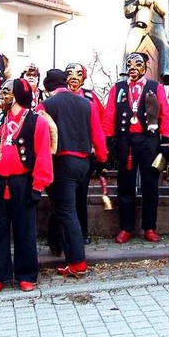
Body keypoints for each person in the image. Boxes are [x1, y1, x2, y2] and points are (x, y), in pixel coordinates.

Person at [0, 79, 53, 294]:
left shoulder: (36, 121)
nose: (0, 96)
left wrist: (38, 185)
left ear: (18, 95)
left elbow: (43, 155)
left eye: (5, 92)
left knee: (25, 230)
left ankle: (26, 274)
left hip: (23, 182)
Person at [38, 70, 107, 277]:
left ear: (48, 88)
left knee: (67, 211)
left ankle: (77, 262)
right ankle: (56, 244)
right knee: (63, 207)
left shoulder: (46, 106)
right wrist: (102, 159)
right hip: (83, 163)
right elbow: (98, 135)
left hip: (61, 163)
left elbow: (39, 135)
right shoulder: (87, 103)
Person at [103, 53, 169, 244]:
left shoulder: (155, 87)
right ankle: (126, 228)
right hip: (126, 141)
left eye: (138, 64)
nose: (133, 67)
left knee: (150, 185)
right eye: (129, 64)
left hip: (149, 140)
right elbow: (109, 114)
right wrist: (108, 140)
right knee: (125, 185)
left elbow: (165, 114)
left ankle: (149, 227)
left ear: (145, 67)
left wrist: (166, 141)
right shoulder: (118, 88)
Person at [66, 62, 105, 244]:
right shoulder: (59, 96)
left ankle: (82, 232)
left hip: (85, 154)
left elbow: (102, 122)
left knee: (81, 194)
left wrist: (100, 152)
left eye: (78, 74)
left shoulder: (90, 97)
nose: (74, 77)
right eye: (70, 73)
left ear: (83, 77)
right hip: (64, 154)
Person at [123, 0, 169, 84]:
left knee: (164, 44)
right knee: (129, 46)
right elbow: (127, 12)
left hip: (154, 24)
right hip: (137, 25)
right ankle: (124, 73)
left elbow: (164, 11)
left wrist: (153, 1)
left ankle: (166, 71)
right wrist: (137, 2)